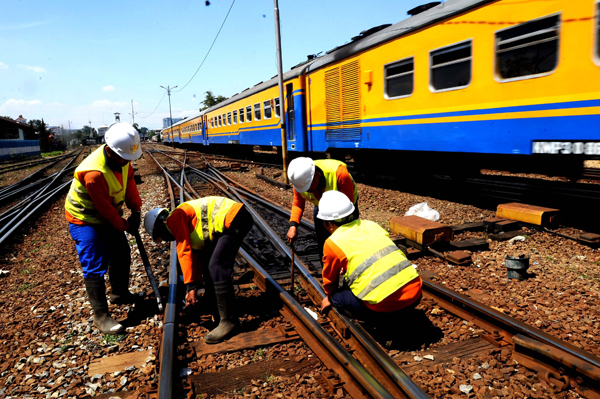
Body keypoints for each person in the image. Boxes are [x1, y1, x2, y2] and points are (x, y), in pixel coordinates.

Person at [65, 123, 143, 334]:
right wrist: (124, 225)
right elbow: (106, 211)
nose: (128, 162)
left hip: (106, 213)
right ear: (109, 151)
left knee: (121, 252)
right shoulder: (94, 173)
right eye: (125, 158)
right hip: (85, 218)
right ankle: (101, 317)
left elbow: (130, 186)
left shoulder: (123, 159)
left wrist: (136, 211)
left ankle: (119, 293)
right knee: (94, 263)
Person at [144, 196, 253, 344]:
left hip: (235, 218)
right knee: (209, 261)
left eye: (160, 237)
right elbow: (194, 257)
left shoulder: (173, 218)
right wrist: (193, 285)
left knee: (217, 266)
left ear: (160, 225)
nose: (164, 240)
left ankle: (229, 320)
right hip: (235, 217)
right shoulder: (184, 222)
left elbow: (184, 251)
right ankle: (211, 300)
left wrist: (190, 287)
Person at [316, 191, 422, 320]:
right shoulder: (371, 225)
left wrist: (329, 297)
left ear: (329, 224)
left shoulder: (332, 242)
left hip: (381, 308)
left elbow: (330, 281)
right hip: (416, 295)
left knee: (337, 298)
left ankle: (380, 322)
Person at [286, 157, 358, 261]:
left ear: (316, 176)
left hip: (346, 207)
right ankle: (327, 268)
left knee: (346, 240)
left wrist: (336, 230)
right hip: (322, 206)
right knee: (323, 241)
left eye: (309, 188)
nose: (308, 191)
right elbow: (298, 204)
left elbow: (348, 206)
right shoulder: (300, 182)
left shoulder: (340, 173)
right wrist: (293, 225)